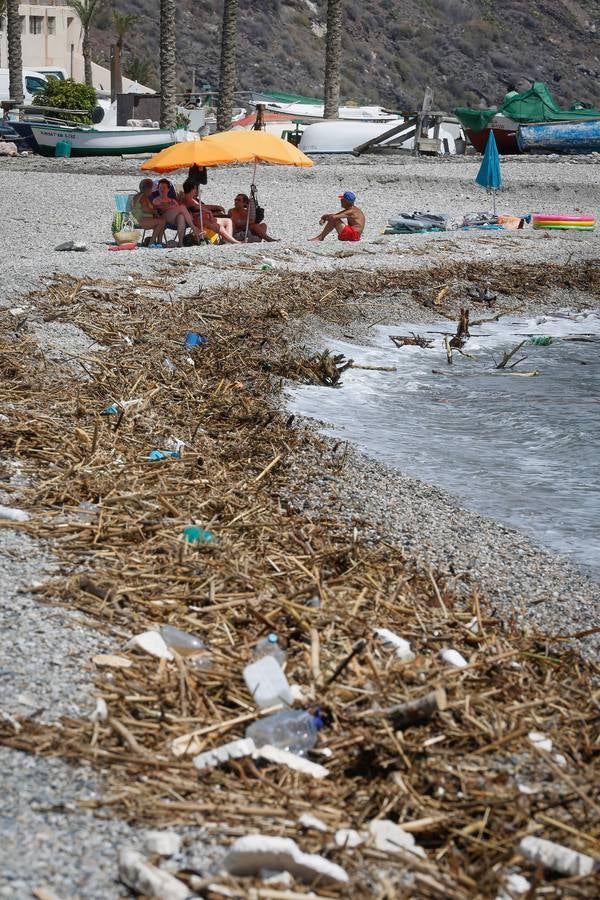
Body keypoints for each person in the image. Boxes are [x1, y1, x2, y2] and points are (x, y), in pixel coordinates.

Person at [179, 179, 240, 244]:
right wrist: (211, 212)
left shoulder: (191, 198)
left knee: (228, 221)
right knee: (219, 227)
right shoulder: (188, 200)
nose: (197, 191)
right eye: (196, 189)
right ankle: (234, 241)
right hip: (199, 220)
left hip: (204, 218)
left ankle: (227, 241)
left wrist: (215, 207)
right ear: (193, 188)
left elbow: (202, 207)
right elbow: (202, 207)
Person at [151, 178, 203, 247]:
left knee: (181, 216)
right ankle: (193, 227)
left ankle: (180, 242)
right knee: (182, 207)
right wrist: (170, 206)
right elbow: (161, 209)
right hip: (163, 218)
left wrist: (171, 206)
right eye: (160, 187)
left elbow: (179, 210)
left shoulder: (173, 200)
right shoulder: (156, 200)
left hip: (174, 220)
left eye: (164, 187)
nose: (162, 189)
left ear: (168, 189)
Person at [131, 178, 167, 245]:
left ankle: (159, 242)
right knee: (162, 221)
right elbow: (145, 209)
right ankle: (152, 242)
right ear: (148, 189)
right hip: (140, 220)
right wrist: (154, 212)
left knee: (162, 220)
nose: (153, 190)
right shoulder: (143, 197)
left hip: (138, 219)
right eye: (152, 188)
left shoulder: (138, 196)